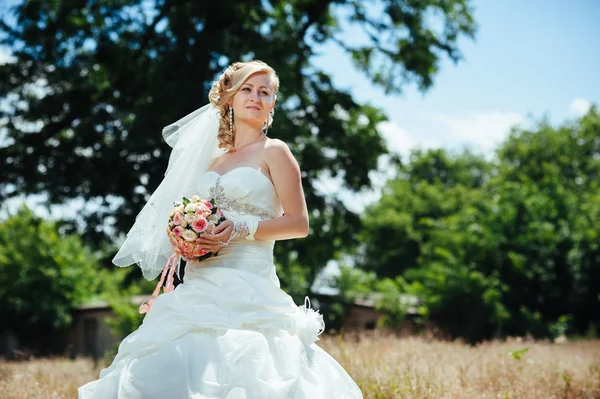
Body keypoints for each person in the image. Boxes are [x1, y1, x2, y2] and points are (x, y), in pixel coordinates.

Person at [78, 60, 363, 398]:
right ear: (230, 97)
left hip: (249, 282)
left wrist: (241, 227)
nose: (255, 97)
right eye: (247, 89)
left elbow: (299, 224)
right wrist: (188, 238)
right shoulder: (213, 161)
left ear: (272, 103)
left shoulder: (276, 152)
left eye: (264, 92)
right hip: (199, 283)